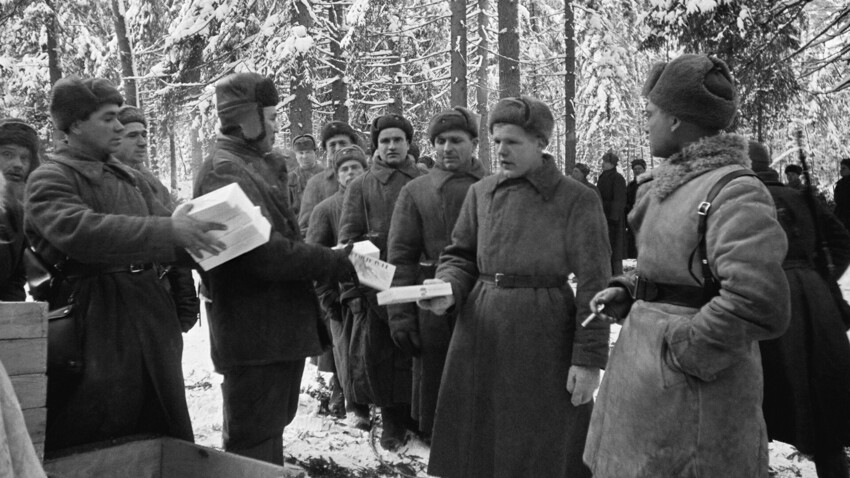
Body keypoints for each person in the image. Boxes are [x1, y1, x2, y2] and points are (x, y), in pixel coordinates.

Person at [583, 54, 790, 478]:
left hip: (694, 396)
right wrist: (630, 289)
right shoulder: (668, 186)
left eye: (651, 113)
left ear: (676, 119)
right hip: (646, 390)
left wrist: (686, 349)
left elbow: (758, 300)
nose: (646, 122)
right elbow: (675, 270)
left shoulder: (734, 191)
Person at [26, 76, 225, 454]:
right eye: (108, 118)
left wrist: (216, 243)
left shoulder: (133, 180)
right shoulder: (50, 178)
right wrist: (170, 231)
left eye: (120, 117)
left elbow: (170, 236)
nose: (119, 127)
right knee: (101, 440)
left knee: (161, 434)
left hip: (151, 317)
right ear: (75, 125)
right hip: (94, 324)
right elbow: (81, 232)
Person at [418, 96, 611, 478]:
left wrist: (588, 360)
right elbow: (460, 256)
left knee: (539, 444)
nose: (502, 151)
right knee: (477, 440)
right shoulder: (482, 193)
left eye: (513, 142)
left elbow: (595, 285)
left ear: (541, 143)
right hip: (479, 329)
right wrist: (447, 288)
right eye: (497, 141)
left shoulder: (576, 199)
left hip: (543, 332)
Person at [193, 72, 356, 465]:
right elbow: (262, 256)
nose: (276, 125)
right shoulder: (224, 169)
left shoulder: (249, 163)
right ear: (247, 118)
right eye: (269, 116)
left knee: (268, 434)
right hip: (255, 334)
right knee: (253, 446)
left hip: (271, 332)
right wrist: (335, 261)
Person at [749, 141, 850, 478]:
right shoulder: (801, 197)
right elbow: (841, 241)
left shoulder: (740, 199)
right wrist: (819, 277)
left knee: (759, 399)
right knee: (824, 399)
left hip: (766, 301)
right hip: (815, 303)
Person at [387, 106, 486, 441]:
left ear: (474, 142)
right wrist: (400, 316)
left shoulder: (493, 188)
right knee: (439, 392)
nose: (447, 148)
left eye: (456, 139)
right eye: (440, 140)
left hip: (481, 302)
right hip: (431, 306)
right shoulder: (416, 191)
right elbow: (400, 257)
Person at [338, 112, 423, 450]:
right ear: (375, 145)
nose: (391, 146)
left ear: (408, 144)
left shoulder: (422, 179)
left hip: (418, 283)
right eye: (385, 141)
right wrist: (375, 288)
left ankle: (418, 414)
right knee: (383, 357)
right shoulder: (361, 186)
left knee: (416, 351)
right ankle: (391, 419)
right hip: (378, 288)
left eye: (397, 140)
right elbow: (350, 240)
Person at [114, 105, 199, 333]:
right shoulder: (110, 185)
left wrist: (186, 298)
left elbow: (173, 240)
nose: (142, 142)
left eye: (144, 134)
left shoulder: (153, 184)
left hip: (163, 294)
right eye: (132, 135)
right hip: (129, 302)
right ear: (114, 139)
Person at [306, 144, 370, 428]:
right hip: (338, 294)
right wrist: (327, 295)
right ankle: (353, 405)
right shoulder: (325, 209)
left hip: (373, 290)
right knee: (344, 352)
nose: (350, 173)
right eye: (344, 169)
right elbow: (315, 256)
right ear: (337, 175)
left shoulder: (373, 204)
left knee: (371, 351)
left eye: (355, 167)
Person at [0, 119, 40, 301]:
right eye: (7, 154)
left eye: (25, 158)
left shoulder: (19, 212)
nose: (18, 164)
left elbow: (15, 280)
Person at [298, 121, 361, 236]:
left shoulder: (366, 177)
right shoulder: (315, 184)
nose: (338, 148)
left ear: (353, 145)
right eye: (332, 144)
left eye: (343, 143)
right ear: (326, 149)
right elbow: (305, 228)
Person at [596, 150, 626, 275]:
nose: (603, 164)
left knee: (615, 250)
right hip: (604, 217)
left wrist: (613, 218)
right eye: (603, 161)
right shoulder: (603, 177)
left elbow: (619, 199)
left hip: (613, 221)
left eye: (606, 162)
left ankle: (617, 276)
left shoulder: (617, 178)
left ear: (612, 164)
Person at [287, 134, 324, 218]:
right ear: (296, 155)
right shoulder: (291, 177)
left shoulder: (324, 174)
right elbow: (288, 207)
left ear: (315, 153)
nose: (304, 156)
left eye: (308, 152)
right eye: (301, 153)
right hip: (299, 222)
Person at [625, 159, 647, 259]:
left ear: (644, 169)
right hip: (634, 218)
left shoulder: (650, 183)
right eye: (635, 169)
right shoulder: (630, 186)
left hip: (646, 217)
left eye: (640, 168)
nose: (637, 171)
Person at [833, 158, 850, 231]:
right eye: (841, 168)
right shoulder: (840, 183)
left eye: (844, 168)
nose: (841, 170)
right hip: (841, 216)